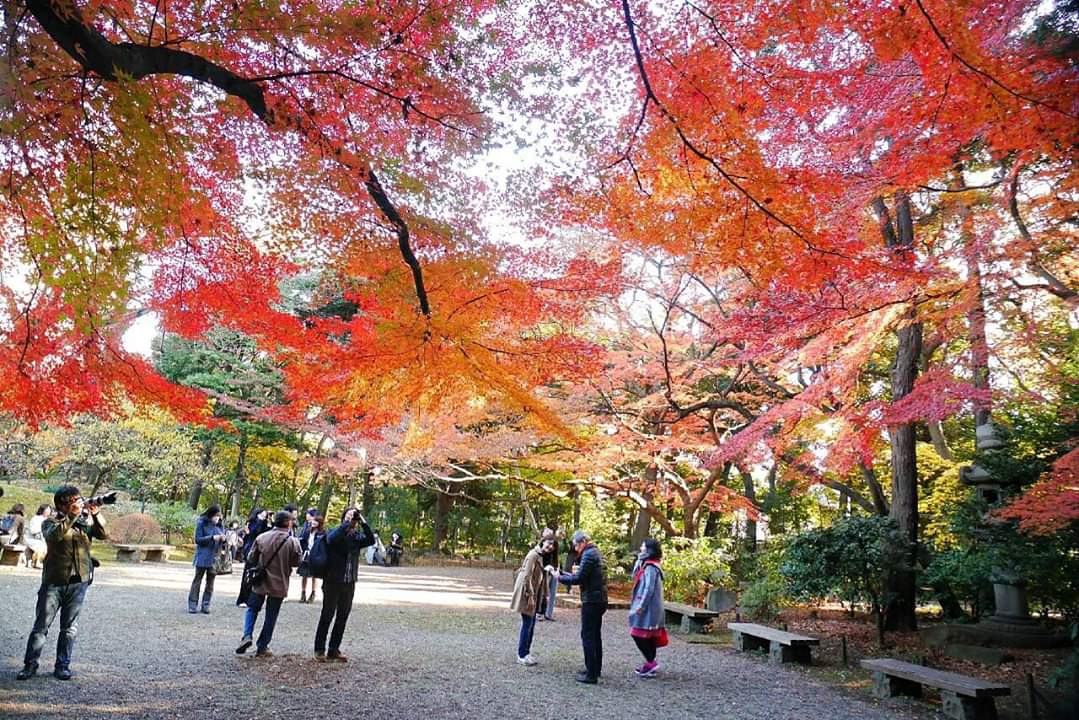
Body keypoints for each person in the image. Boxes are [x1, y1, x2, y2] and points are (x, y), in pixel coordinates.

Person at [15, 486, 108, 680]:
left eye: (79, 499)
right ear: (62, 504)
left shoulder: (84, 522)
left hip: (78, 582)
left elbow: (103, 534)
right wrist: (71, 517)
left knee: (69, 628)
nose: (78, 502)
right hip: (54, 582)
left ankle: (63, 665)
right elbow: (54, 536)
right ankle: (30, 665)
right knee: (41, 626)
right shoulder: (50, 522)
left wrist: (96, 513)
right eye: (74, 500)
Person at [236, 511, 302, 657]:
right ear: (289, 523)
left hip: (260, 579)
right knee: (271, 616)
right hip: (280, 582)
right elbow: (297, 563)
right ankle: (262, 646)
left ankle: (247, 635)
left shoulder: (262, 537)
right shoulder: (293, 542)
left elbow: (251, 557)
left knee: (252, 609)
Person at [315, 507, 375, 661]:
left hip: (349, 582)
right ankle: (319, 650)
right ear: (343, 517)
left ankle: (334, 649)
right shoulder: (335, 532)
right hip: (333, 581)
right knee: (327, 615)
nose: (352, 518)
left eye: (354, 516)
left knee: (343, 616)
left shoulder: (356, 536)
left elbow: (371, 540)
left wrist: (363, 522)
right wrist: (346, 523)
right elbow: (331, 540)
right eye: (350, 514)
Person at [551, 530, 608, 684]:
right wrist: (562, 573)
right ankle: (594, 668)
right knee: (595, 635)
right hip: (599, 599)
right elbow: (584, 576)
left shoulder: (589, 555)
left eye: (576, 545)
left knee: (588, 636)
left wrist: (559, 577)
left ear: (583, 542)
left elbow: (579, 578)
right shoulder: (595, 552)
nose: (575, 548)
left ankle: (591, 675)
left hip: (592, 601)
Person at [510, 535, 555, 666]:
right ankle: (521, 655)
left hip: (535, 595)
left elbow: (543, 579)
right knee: (527, 623)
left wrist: (545, 594)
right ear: (543, 542)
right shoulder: (533, 555)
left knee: (531, 624)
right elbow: (526, 576)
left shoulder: (542, 556)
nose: (550, 546)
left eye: (553, 545)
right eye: (549, 543)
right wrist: (530, 595)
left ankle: (526, 652)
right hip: (527, 594)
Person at [628, 538, 667, 678]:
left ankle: (651, 662)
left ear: (649, 549)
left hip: (648, 608)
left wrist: (641, 606)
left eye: (643, 546)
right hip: (647, 607)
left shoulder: (651, 567)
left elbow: (649, 588)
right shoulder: (645, 563)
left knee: (637, 633)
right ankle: (651, 663)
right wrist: (639, 560)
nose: (641, 548)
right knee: (646, 635)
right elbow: (635, 575)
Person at [189, 505, 226, 614]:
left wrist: (223, 539)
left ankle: (206, 604)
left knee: (210, 583)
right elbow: (198, 539)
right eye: (215, 516)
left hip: (215, 557)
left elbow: (223, 539)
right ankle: (192, 604)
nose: (217, 519)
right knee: (197, 581)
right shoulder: (201, 523)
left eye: (219, 516)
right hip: (202, 556)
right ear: (210, 515)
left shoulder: (220, 525)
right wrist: (211, 537)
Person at [237, 508, 271, 607]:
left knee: (259, 574)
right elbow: (253, 533)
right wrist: (261, 521)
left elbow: (268, 534)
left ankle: (253, 599)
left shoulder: (266, 523)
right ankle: (243, 598)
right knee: (248, 574)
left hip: (262, 550)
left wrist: (269, 522)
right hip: (251, 549)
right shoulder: (251, 522)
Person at [297, 512, 325, 604]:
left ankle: (313, 594)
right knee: (304, 575)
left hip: (315, 556)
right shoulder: (307, 531)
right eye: (313, 521)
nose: (313, 522)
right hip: (306, 554)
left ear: (319, 523)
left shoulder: (322, 533)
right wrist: (304, 551)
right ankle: (303, 593)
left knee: (314, 576)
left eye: (316, 521)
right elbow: (303, 542)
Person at [538, 528, 560, 621]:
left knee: (549, 593)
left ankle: (547, 613)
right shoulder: (539, 547)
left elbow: (555, 559)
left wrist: (554, 570)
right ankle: (538, 612)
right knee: (541, 592)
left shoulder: (554, 546)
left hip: (550, 572)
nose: (550, 546)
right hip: (542, 571)